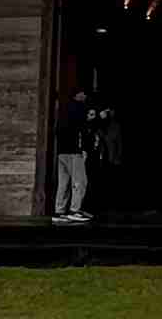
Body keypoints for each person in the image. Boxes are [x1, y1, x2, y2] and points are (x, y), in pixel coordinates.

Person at [53, 91, 92, 224]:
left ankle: (59, 211)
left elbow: (58, 130)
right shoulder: (79, 108)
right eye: (84, 94)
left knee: (63, 182)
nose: (86, 97)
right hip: (74, 150)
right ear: (79, 95)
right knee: (79, 181)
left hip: (62, 151)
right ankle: (74, 210)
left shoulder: (64, 109)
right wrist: (83, 148)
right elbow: (81, 130)